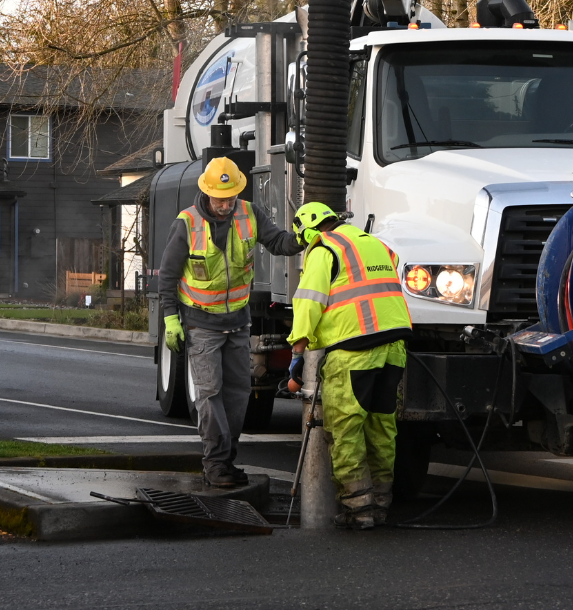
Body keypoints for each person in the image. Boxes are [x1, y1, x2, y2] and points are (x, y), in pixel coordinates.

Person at [157, 157, 299, 488]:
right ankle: (216, 463)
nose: (225, 204)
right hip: (200, 326)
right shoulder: (187, 224)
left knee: (238, 395)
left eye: (231, 197)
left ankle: (227, 459)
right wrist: (170, 319)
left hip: (238, 324)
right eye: (220, 198)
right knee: (209, 394)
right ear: (206, 192)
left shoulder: (249, 214)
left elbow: (278, 242)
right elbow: (168, 275)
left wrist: (304, 238)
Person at [285, 201, 412, 529]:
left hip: (354, 349)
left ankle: (360, 510)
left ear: (308, 231)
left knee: (346, 430)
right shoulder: (375, 243)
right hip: (394, 346)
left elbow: (309, 300)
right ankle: (381, 505)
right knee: (382, 427)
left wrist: (298, 348)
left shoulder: (324, 249)